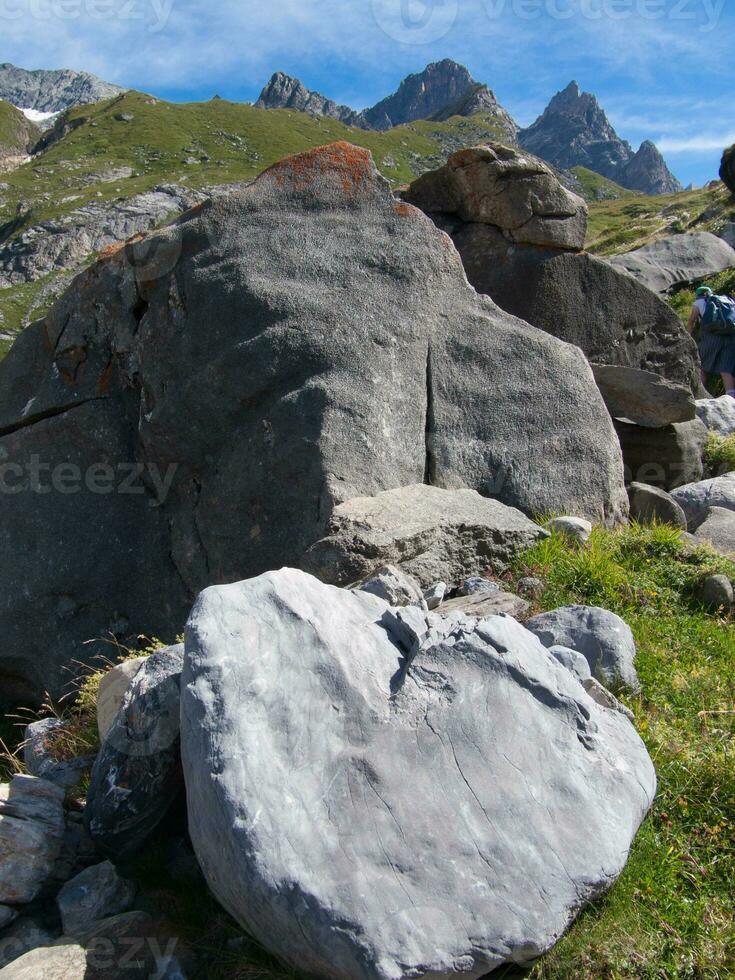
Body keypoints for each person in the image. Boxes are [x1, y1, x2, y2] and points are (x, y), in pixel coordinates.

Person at [688, 286, 735, 398]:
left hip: (711, 337)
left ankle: (698, 395)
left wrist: (688, 335)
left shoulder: (698, 302)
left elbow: (692, 321)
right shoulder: (727, 301)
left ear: (698, 295)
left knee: (701, 365)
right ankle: (731, 400)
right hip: (729, 337)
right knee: (725, 370)